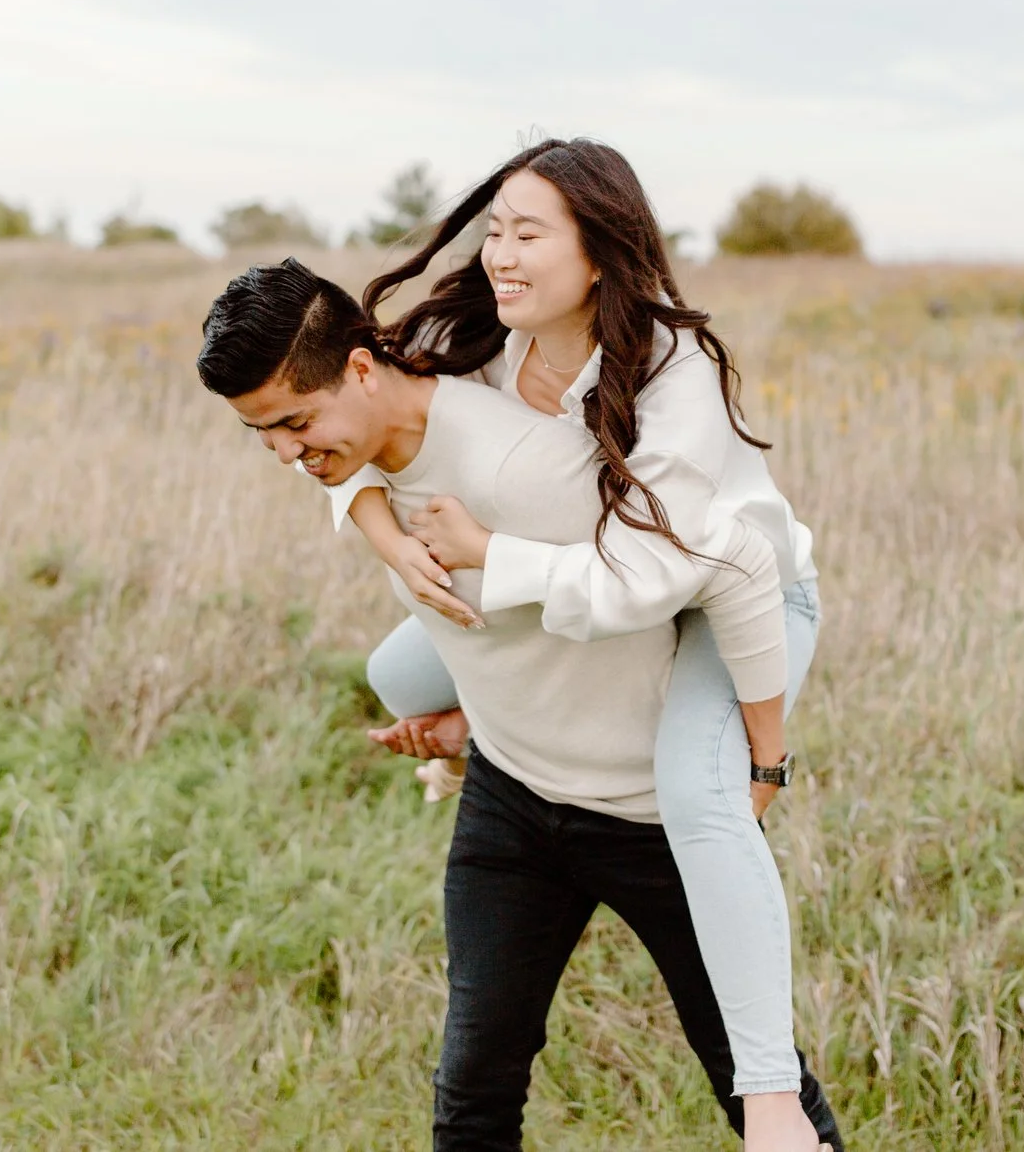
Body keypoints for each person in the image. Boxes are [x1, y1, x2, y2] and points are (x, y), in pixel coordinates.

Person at [197, 261, 842, 1152]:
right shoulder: (363, 441)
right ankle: (471, 726)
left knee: (760, 1091)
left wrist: (761, 753)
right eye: (259, 433)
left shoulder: (529, 466)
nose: (283, 453)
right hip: (512, 805)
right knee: (472, 1094)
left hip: (643, 812)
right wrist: (381, 527)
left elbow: (732, 561)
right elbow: (357, 464)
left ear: (357, 369)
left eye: (294, 424)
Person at [334, 138, 828, 1152]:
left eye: (529, 233)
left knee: (698, 794)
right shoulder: (482, 342)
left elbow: (653, 580)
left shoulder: (671, 372)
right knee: (394, 672)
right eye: (494, 230)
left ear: (598, 251)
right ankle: (483, 722)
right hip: (579, 618)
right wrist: (383, 525)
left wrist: (488, 551)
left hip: (731, 602)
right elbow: (342, 428)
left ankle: (772, 1102)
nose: (501, 254)